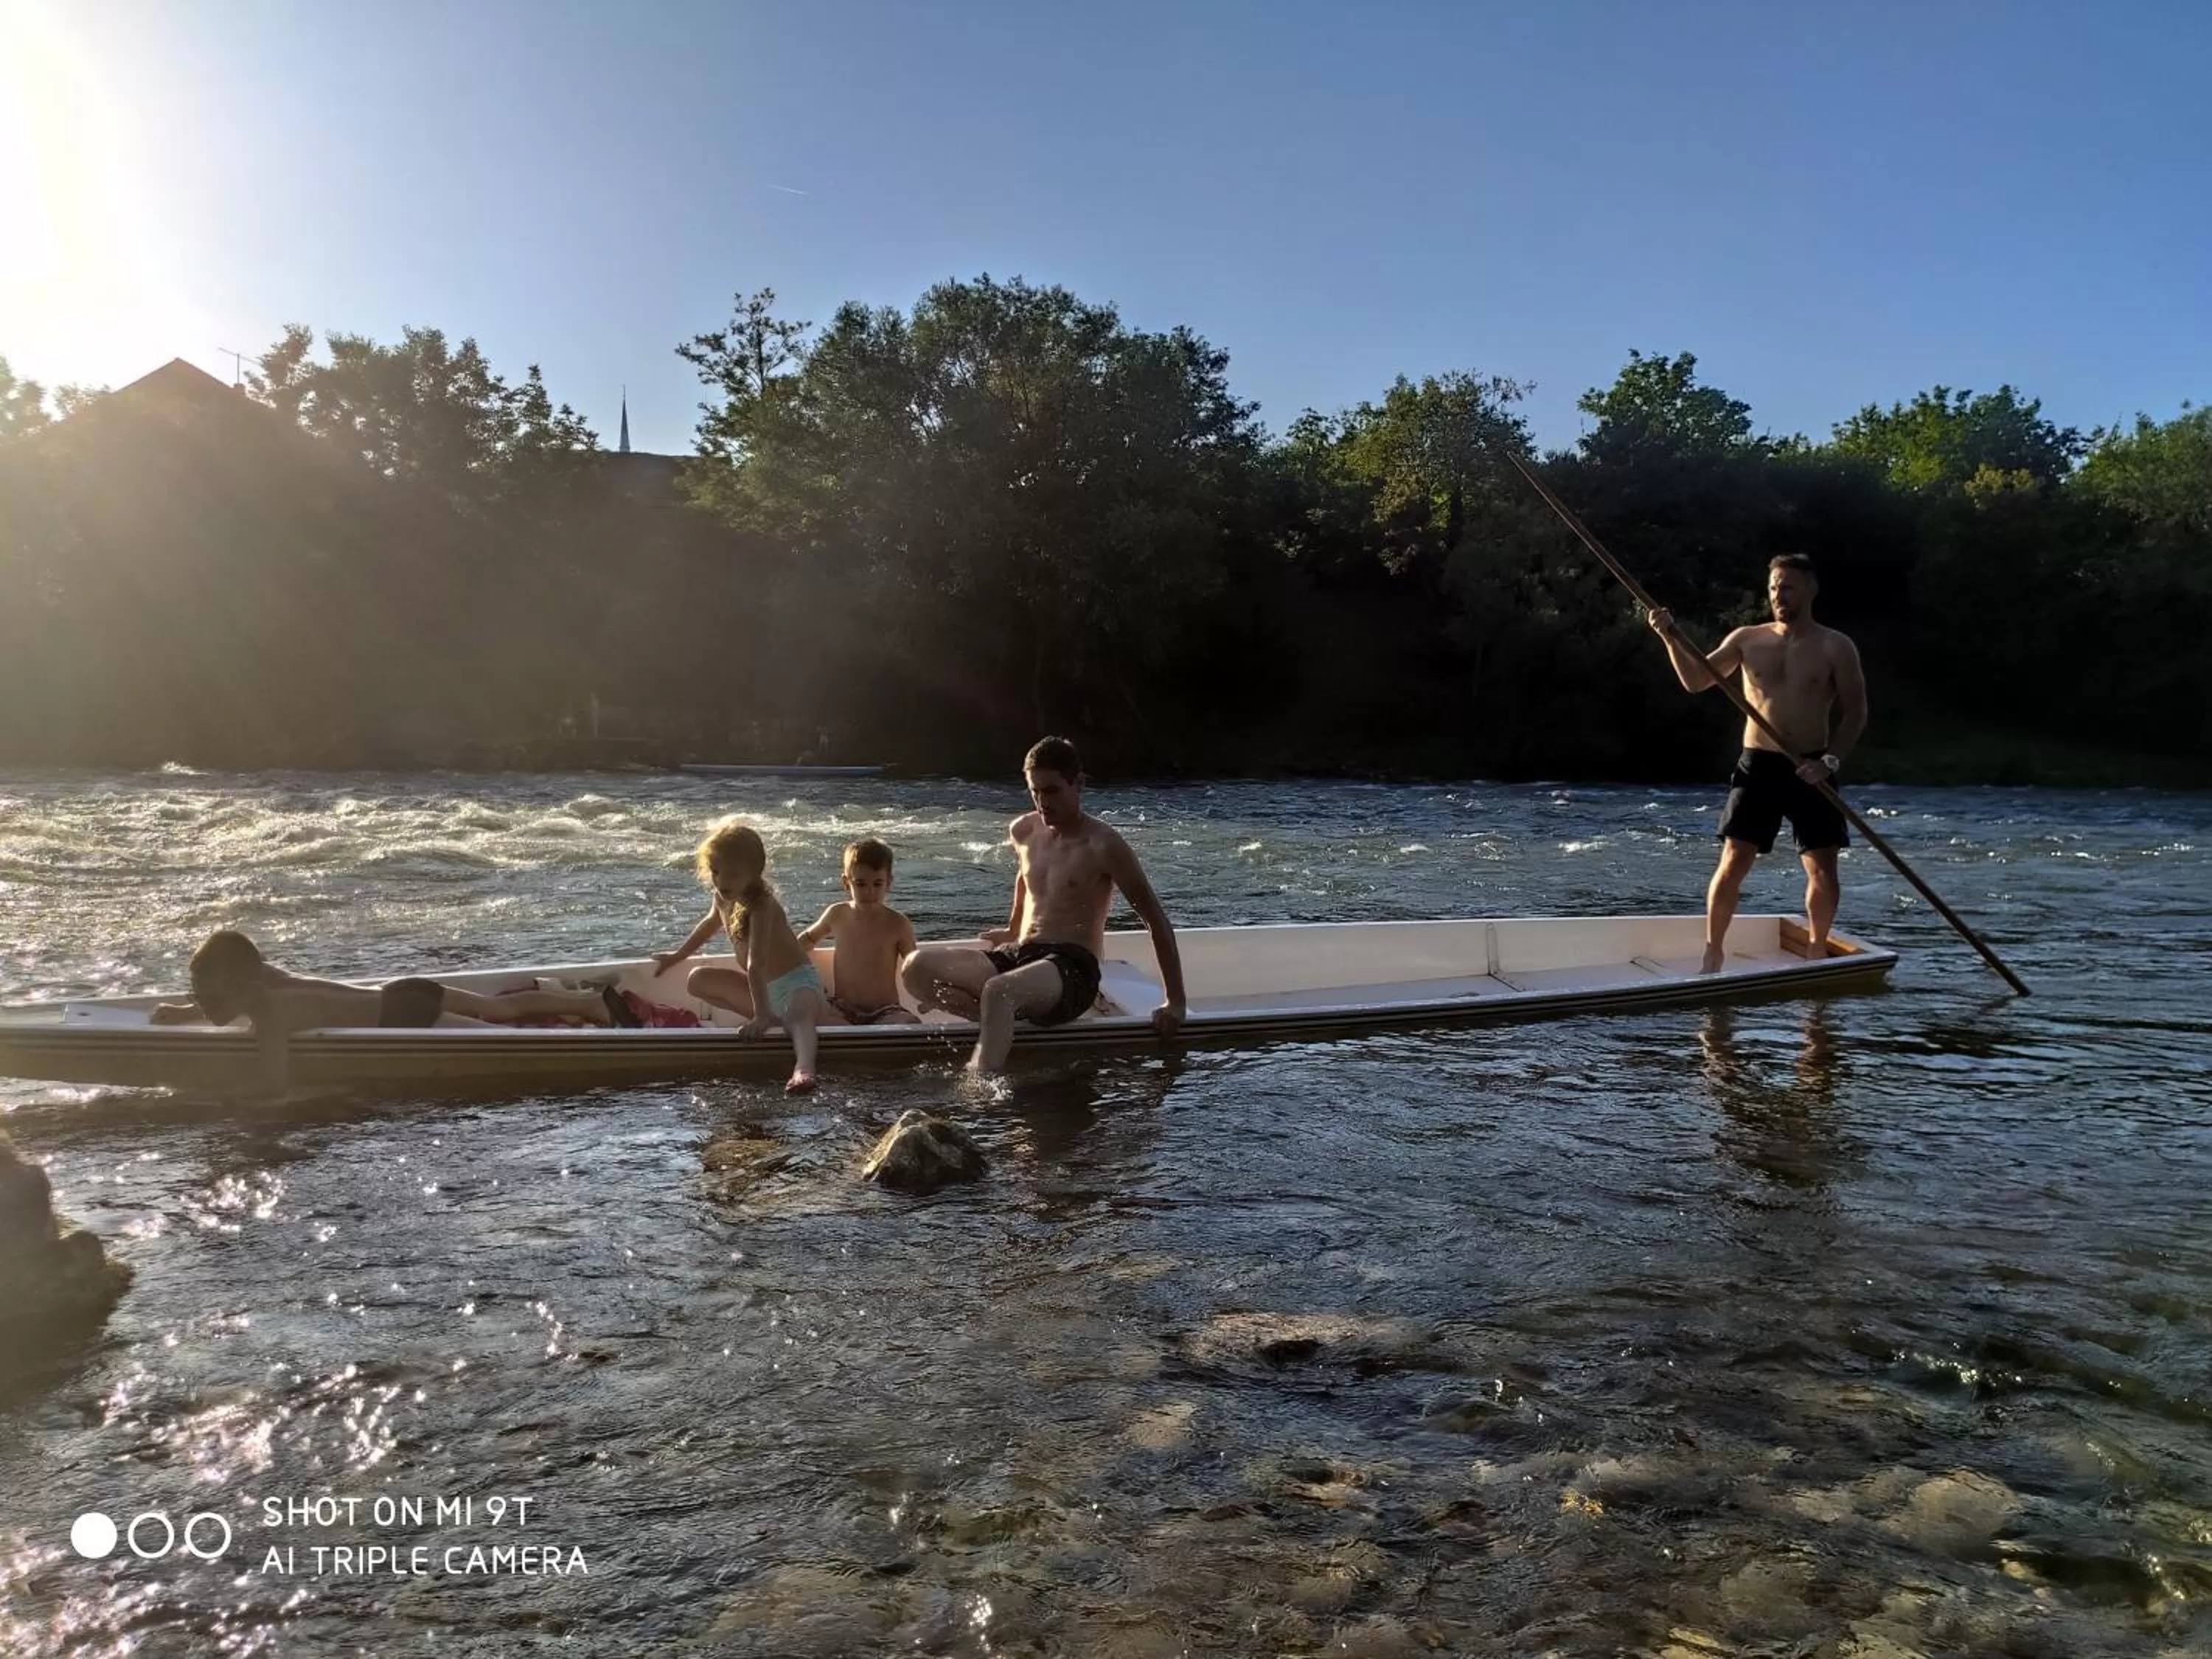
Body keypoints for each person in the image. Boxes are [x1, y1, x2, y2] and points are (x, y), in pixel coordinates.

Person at [902, 736, 1187, 1074]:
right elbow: (1026, 878)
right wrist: (1012, 928)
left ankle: (978, 1086)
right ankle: (1000, 1025)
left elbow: (1156, 920)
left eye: (1051, 791)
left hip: (1074, 968)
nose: (1042, 802)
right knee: (915, 969)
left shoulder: (1104, 845)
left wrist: (1176, 1003)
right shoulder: (1023, 830)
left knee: (999, 992)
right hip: (1022, 954)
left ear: (1078, 784)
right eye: (1034, 791)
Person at [1647, 552, 1868, 973]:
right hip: (1759, 765)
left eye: (1787, 587)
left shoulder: (1836, 646)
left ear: (1810, 589)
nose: (1778, 596)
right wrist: (1670, 638)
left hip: (1812, 766)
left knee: (1822, 865)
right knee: (1733, 858)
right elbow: (1696, 682)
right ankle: (1713, 950)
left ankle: (1816, 949)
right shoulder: (1748, 639)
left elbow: (1856, 713)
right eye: (1773, 588)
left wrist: (1830, 762)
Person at [150, 928, 635, 1093]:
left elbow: (274, 1086)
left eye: (208, 996)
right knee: (498, 1010)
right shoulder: (265, 977)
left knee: (501, 1036)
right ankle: (589, 1002)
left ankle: (593, 1033)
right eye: (198, 994)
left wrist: (208, 1096)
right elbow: (233, 986)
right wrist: (185, 1012)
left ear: (239, 986)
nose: (206, 1006)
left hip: (406, 1018)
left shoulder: (272, 1015)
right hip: (400, 991)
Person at [666, 817, 830, 1093]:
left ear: (754, 873)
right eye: (716, 872)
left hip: (797, 986)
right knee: (697, 980)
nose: (721, 881)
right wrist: (678, 955)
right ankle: (776, 1022)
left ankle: (804, 1069)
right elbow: (709, 925)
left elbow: (757, 964)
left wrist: (761, 1016)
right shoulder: (723, 897)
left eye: (731, 875)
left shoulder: (763, 905)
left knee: (798, 1017)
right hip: (762, 992)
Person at [796, 838, 921, 1026]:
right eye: (861, 884)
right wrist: (783, 956)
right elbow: (808, 939)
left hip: (885, 1010)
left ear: (889, 883)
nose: (869, 892)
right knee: (810, 1016)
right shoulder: (837, 914)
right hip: (842, 1008)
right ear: (846, 882)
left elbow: (914, 966)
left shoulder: (898, 924)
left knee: (909, 1022)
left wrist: (928, 995)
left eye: (877, 884)